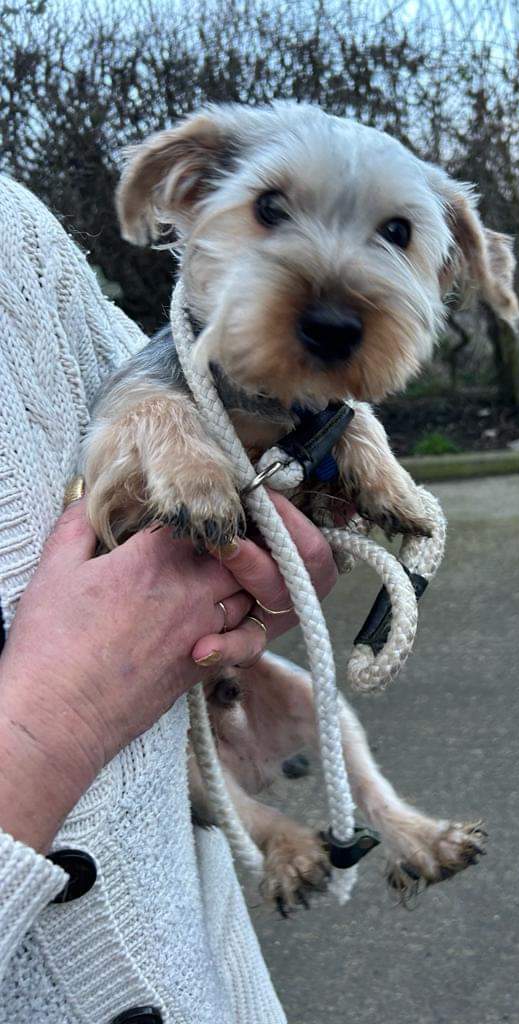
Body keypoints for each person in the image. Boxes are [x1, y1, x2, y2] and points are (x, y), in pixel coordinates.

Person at [0, 175, 339, 1023]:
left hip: (206, 973)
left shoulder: (14, 237)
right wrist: (53, 724)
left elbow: (186, 385)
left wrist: (281, 519)